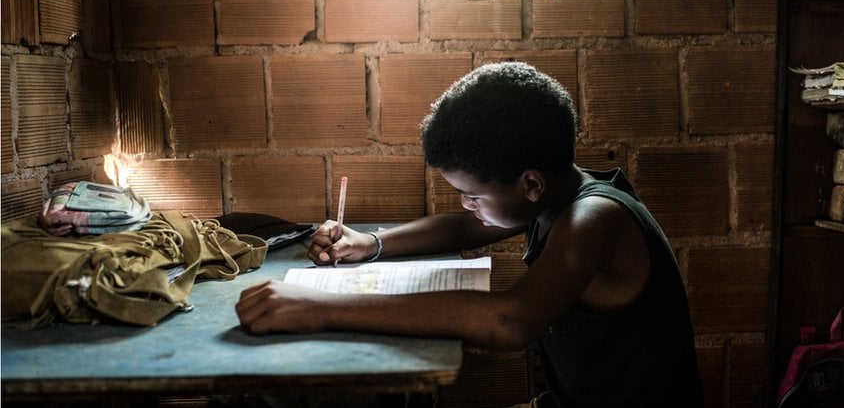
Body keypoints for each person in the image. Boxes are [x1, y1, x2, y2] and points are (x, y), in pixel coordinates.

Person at [235, 62, 704, 407]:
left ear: (531, 183)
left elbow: (511, 321)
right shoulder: (553, 195)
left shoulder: (594, 218)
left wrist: (320, 308)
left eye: (471, 193)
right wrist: (371, 243)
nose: (466, 204)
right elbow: (468, 225)